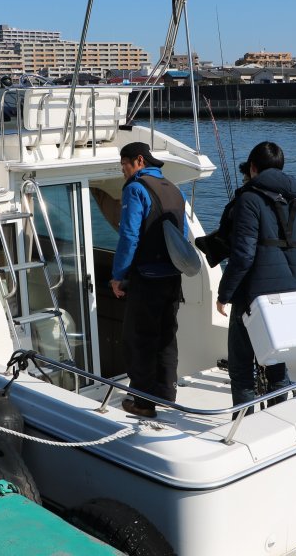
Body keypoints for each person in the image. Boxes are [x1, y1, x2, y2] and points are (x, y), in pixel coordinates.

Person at [215, 141, 296, 412]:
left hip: (252, 298)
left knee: (242, 369)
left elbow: (243, 255)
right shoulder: (295, 203)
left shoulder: (249, 199)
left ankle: (245, 429)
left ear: (253, 168)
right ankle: (277, 422)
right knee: (276, 365)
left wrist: (224, 294)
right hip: (289, 294)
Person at [109, 142, 186, 418]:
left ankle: (142, 403)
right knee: (167, 336)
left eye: (124, 166)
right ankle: (166, 394)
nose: (123, 172)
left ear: (138, 161)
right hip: (173, 279)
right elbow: (182, 238)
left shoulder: (136, 189)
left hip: (147, 279)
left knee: (140, 338)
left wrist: (118, 276)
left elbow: (129, 237)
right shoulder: (175, 191)